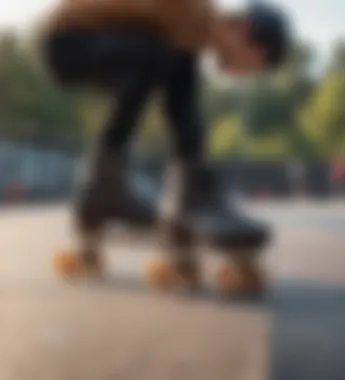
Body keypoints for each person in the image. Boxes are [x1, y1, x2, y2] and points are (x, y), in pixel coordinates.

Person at [42, 0, 291, 290]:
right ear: (244, 31)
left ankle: (149, 189)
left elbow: (180, 106)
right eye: (255, 63)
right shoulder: (192, 14)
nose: (246, 74)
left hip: (99, 40)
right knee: (160, 55)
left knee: (174, 65)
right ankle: (112, 186)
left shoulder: (192, 31)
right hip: (69, 41)